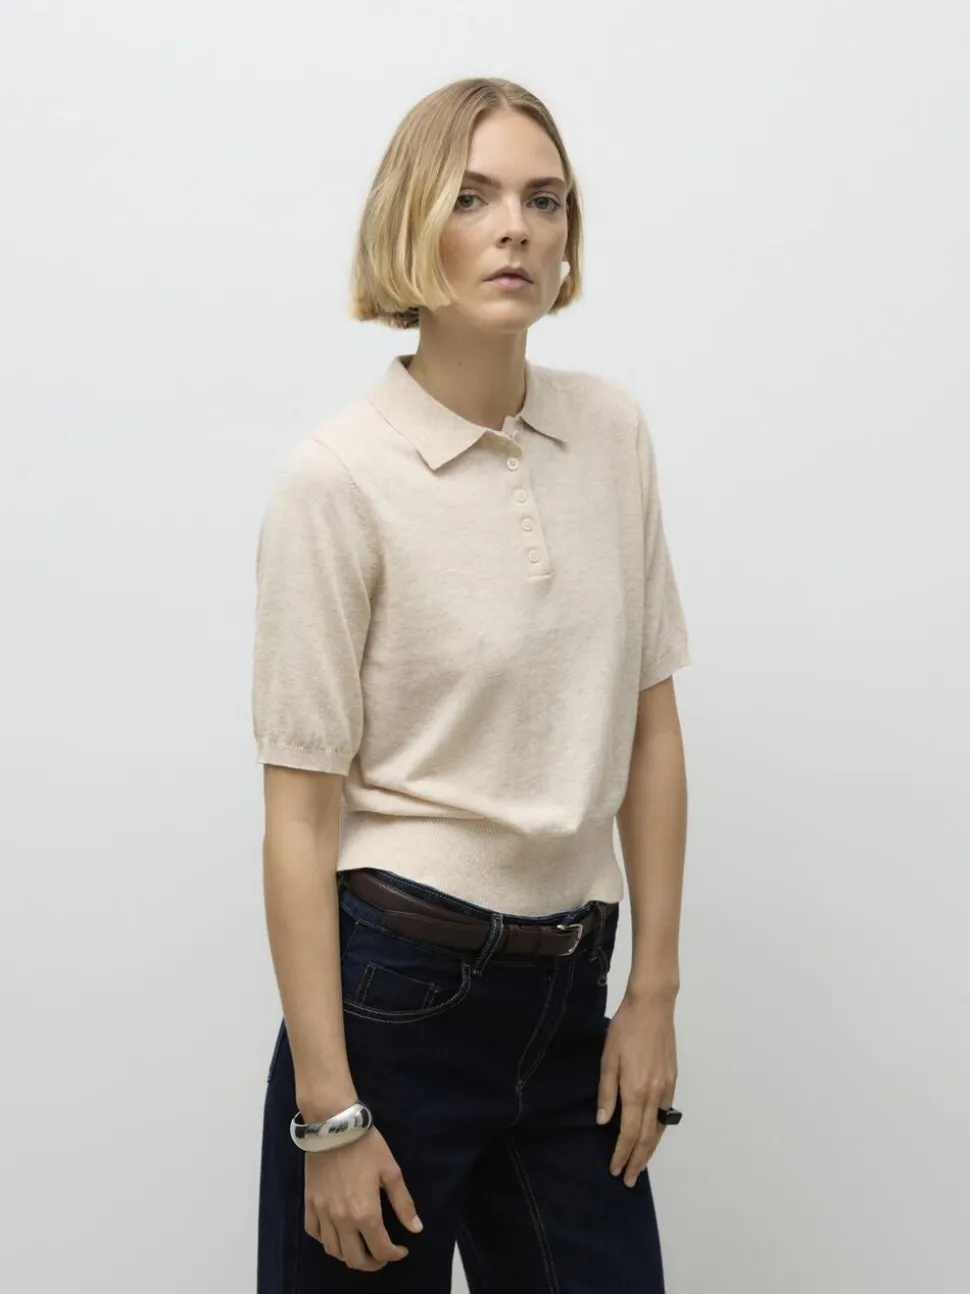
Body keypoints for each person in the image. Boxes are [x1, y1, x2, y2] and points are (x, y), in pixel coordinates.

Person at [252, 76, 691, 1293]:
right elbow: (299, 815)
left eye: (544, 201)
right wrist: (328, 1113)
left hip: (574, 996)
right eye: (473, 197)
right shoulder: (338, 478)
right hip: (397, 999)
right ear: (411, 222)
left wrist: (651, 993)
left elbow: (650, 729)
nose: (517, 230)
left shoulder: (611, 434)